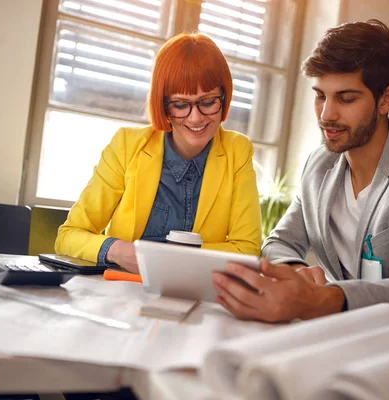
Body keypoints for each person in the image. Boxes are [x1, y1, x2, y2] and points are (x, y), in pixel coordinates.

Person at [211, 19, 389, 329]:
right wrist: (300, 274)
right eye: (321, 95)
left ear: (387, 99)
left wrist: (320, 299)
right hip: (340, 336)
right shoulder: (319, 165)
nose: (326, 115)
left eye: (346, 99)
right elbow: (279, 243)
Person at [55, 33, 262, 274]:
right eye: (181, 104)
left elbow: (247, 249)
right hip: (122, 291)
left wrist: (168, 258)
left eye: (207, 102)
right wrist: (119, 251)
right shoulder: (127, 145)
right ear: (164, 105)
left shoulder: (237, 151)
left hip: (195, 293)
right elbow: (68, 236)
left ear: (224, 97)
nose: (196, 118)